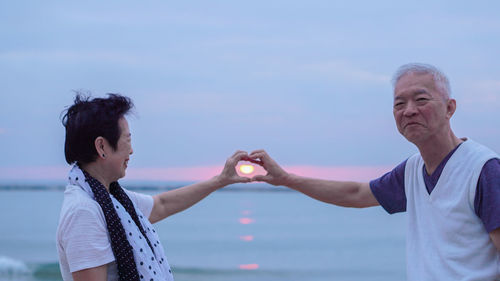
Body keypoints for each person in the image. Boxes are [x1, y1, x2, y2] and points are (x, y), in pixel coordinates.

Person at [248, 63, 500, 280]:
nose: (409, 110)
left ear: (449, 108)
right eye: (399, 103)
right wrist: (285, 179)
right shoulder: (413, 169)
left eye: (421, 100)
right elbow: (357, 193)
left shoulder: (484, 169)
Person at [57, 94, 252, 281]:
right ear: (101, 147)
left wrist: (220, 180)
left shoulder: (113, 200)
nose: (131, 150)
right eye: (127, 140)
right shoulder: (84, 211)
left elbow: (162, 204)